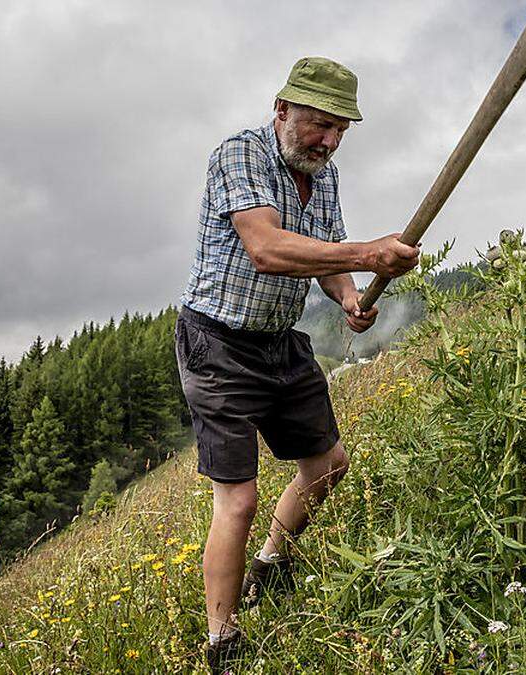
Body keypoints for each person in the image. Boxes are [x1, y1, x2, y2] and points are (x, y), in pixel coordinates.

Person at [177, 56, 420, 669]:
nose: (330, 141)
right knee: (238, 500)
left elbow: (323, 252)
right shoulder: (241, 153)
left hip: (280, 341)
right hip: (219, 347)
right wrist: (368, 252)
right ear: (282, 109)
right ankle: (222, 643)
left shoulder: (325, 174)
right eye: (319, 124)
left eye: (341, 129)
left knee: (329, 464)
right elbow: (267, 247)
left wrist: (347, 296)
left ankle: (270, 565)